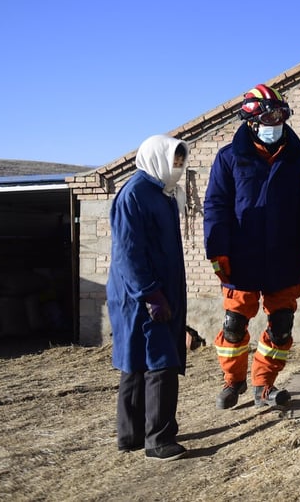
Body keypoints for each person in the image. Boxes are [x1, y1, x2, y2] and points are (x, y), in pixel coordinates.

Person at [204, 84, 300, 410]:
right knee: (234, 325)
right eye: (268, 117)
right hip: (242, 257)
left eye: (280, 116)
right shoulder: (229, 158)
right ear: (251, 121)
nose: (275, 123)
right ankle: (232, 379)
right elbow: (216, 207)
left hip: (286, 256)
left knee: (281, 326)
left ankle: (264, 384)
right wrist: (217, 250)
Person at [107, 134, 190, 461]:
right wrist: (151, 294)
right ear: (157, 157)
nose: (178, 168)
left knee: (137, 363)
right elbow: (128, 253)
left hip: (151, 293)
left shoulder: (161, 193)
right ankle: (159, 439)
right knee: (160, 364)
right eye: (175, 160)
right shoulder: (136, 194)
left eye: (181, 161)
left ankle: (130, 435)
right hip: (142, 296)